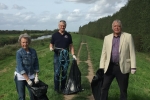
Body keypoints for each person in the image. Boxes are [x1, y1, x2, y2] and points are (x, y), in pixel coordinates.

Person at [99, 19, 136, 100]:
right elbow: (104, 53)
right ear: (112, 28)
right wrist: (102, 66)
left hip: (122, 67)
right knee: (104, 87)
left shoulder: (128, 36)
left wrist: (133, 67)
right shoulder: (107, 38)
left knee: (123, 89)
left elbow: (132, 52)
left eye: (118, 26)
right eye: (115, 26)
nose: (117, 28)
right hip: (109, 67)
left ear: (121, 27)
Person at [49, 20, 76, 93]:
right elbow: (51, 44)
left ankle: (63, 88)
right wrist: (51, 48)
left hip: (65, 56)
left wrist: (73, 54)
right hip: (57, 56)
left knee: (64, 72)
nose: (62, 27)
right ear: (59, 26)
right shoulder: (54, 35)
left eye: (64, 26)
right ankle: (56, 89)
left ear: (65, 26)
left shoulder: (68, 35)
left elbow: (71, 46)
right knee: (57, 73)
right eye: (61, 25)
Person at [14, 33, 39, 100]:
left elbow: (36, 64)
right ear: (20, 43)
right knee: (22, 96)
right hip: (20, 76)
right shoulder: (19, 53)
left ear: (29, 42)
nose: (25, 44)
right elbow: (20, 67)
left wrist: (36, 76)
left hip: (30, 75)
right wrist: (28, 80)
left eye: (26, 42)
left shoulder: (33, 51)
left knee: (33, 94)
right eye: (23, 42)